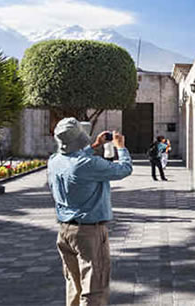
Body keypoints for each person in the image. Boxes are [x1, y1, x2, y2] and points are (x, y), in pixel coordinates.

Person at [47, 118, 132, 306]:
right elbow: (124, 169)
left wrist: (95, 145)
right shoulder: (87, 164)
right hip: (89, 233)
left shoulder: (54, 161)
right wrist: (121, 147)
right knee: (94, 289)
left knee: (74, 285)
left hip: (65, 231)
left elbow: (74, 158)